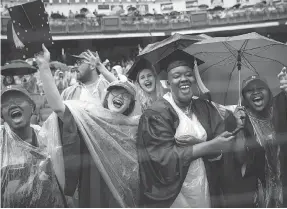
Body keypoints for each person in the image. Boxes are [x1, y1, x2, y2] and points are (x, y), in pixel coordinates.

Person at [35, 45, 139, 208]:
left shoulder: (107, 87)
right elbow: (59, 109)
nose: (75, 65)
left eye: (80, 61)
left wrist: (101, 68)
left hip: (120, 165)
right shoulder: (70, 94)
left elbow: (130, 95)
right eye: (75, 62)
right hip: (89, 166)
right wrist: (43, 66)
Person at [137, 51, 239, 208]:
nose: (184, 79)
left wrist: (236, 122)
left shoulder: (204, 107)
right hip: (174, 194)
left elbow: (223, 143)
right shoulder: (157, 113)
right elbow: (161, 159)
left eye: (189, 74)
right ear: (168, 82)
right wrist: (207, 146)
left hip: (205, 184)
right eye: (177, 75)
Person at [223, 68, 287, 207]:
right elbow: (239, 160)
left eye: (260, 88)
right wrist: (238, 128)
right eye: (249, 90)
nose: (256, 92)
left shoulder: (277, 113)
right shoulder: (237, 118)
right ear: (244, 97)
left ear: (269, 93)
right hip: (256, 192)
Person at [1, 85, 66, 207]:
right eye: (5, 104)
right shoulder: (1, 142)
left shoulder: (47, 139)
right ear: (2, 115)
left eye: (19, 100)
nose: (13, 105)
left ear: (32, 108)